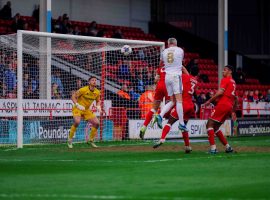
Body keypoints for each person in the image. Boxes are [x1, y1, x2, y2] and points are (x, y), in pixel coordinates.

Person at [152, 66, 199, 153]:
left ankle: (162, 139)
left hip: (182, 104)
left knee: (170, 122)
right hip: (190, 105)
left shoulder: (182, 77)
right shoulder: (195, 82)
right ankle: (187, 146)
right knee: (183, 126)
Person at [153, 38, 188, 131]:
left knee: (172, 101)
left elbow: (160, 64)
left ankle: (160, 116)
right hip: (176, 76)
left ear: (168, 44)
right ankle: (181, 123)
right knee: (179, 101)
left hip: (167, 77)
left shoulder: (164, 51)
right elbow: (181, 62)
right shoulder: (180, 50)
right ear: (175, 44)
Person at [203, 65, 237, 154]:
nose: (223, 72)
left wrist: (209, 100)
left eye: (225, 70)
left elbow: (220, 92)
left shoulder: (225, 80)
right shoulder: (233, 82)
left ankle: (213, 149)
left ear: (230, 71)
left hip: (223, 104)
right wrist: (233, 110)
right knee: (216, 127)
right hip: (229, 106)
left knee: (209, 124)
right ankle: (228, 147)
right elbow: (235, 97)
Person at [67, 76, 102, 148]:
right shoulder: (83, 90)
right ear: (89, 82)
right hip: (78, 108)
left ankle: (91, 140)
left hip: (86, 110)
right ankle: (70, 140)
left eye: (95, 80)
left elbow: (98, 101)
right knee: (77, 122)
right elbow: (73, 96)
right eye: (92, 80)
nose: (94, 81)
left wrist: (98, 106)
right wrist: (77, 104)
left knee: (97, 123)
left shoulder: (97, 92)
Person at [139, 66, 169, 139]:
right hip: (167, 87)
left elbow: (155, 80)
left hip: (159, 87)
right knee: (171, 103)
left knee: (154, 108)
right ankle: (160, 117)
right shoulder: (172, 68)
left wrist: (158, 78)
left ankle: (144, 126)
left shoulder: (160, 68)